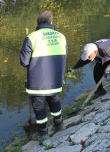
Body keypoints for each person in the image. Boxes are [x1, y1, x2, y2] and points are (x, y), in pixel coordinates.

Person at [20, 11, 67, 141]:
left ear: (38, 23)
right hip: (55, 80)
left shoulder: (32, 37)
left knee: (39, 105)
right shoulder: (61, 37)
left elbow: (24, 62)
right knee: (54, 100)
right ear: (51, 22)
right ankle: (59, 123)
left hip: (37, 82)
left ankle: (43, 133)